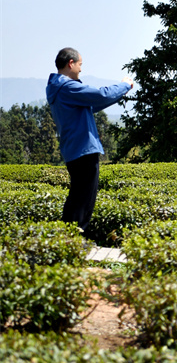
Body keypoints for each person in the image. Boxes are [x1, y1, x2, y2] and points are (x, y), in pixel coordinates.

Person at [46, 47, 133, 232]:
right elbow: (101, 95)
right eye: (79, 65)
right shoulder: (67, 86)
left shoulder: (57, 88)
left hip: (73, 149)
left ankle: (66, 239)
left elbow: (94, 103)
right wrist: (124, 85)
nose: (80, 69)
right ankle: (75, 241)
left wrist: (118, 93)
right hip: (83, 149)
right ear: (71, 63)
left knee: (78, 196)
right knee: (84, 200)